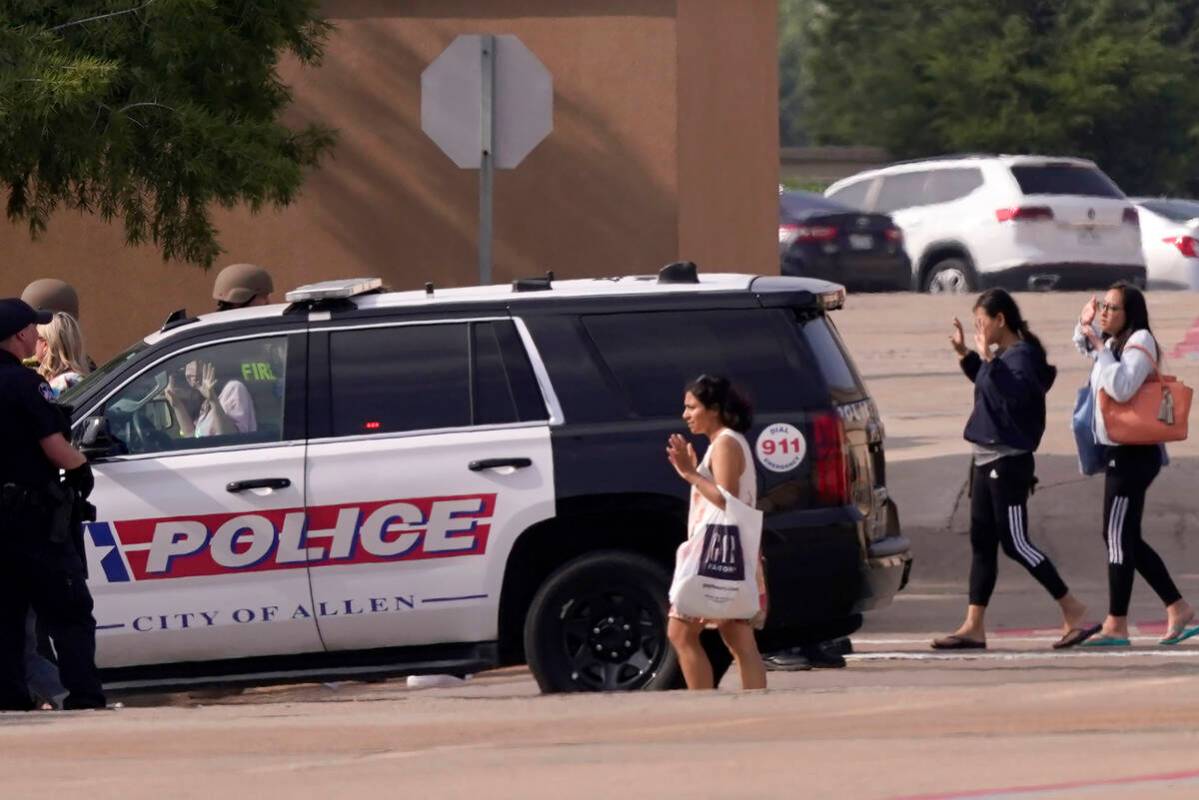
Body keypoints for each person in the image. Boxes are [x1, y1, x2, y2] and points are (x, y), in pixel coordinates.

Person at [933, 289, 1094, 651]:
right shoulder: (1006, 357)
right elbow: (989, 386)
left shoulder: (1022, 356)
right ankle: (974, 625)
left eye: (981, 323)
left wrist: (987, 358)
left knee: (1016, 543)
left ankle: (1073, 608)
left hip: (1007, 464)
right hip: (984, 461)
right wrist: (968, 356)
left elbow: (1015, 397)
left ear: (1000, 320)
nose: (979, 329)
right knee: (982, 544)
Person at [1073, 283, 1197, 647]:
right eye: (1104, 307)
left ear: (1131, 314)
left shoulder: (1140, 342)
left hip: (1133, 455)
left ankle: (1117, 623)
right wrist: (1088, 330)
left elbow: (1123, 387)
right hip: (1121, 453)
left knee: (1116, 536)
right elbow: (1088, 351)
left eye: (1113, 308)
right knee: (1124, 537)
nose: (1106, 313)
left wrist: (1099, 346)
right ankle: (1177, 607)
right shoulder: (1114, 344)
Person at [0, 298, 106, 711]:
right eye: (32, 329)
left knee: (6, 618)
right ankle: (84, 696)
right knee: (68, 611)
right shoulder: (27, 385)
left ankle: (11, 702)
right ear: (19, 335)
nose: (35, 335)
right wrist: (81, 469)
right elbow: (55, 447)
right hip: (32, 521)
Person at [665, 375, 767, 690]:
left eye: (691, 407)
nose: (685, 415)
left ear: (714, 409)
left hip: (720, 553)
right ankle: (755, 704)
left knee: (681, 633)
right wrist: (694, 474)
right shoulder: (724, 443)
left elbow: (727, 499)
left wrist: (691, 474)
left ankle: (705, 705)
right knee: (736, 634)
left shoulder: (725, 443)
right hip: (732, 553)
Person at [165, 359, 257, 437]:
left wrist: (214, 401)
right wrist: (176, 404)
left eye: (198, 362)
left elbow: (232, 438)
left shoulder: (233, 388)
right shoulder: (204, 403)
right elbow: (193, 437)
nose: (192, 370)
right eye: (188, 364)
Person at [36, 312, 91, 398]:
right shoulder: (77, 379)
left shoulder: (65, 383)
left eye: (36, 337)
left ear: (46, 345)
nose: (32, 342)